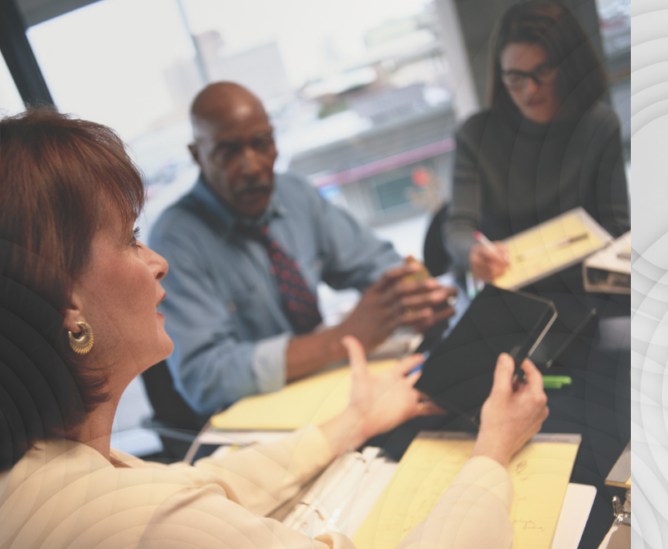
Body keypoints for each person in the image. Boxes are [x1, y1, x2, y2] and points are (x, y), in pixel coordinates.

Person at [0, 109, 549, 549]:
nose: (157, 261)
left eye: (263, 141)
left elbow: (192, 487)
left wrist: (351, 423)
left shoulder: (23, 480)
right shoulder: (144, 536)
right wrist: (493, 450)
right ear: (69, 306)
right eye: (130, 238)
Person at [149, 82, 457, 416]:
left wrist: (413, 298)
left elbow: (374, 262)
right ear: (197, 155)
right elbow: (205, 377)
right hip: (256, 420)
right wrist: (340, 339)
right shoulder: (175, 240)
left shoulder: (295, 193)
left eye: (261, 143)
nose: (251, 166)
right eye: (228, 152)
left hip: (325, 391)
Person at [443, 0, 630, 284]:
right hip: (514, 288)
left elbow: (618, 226)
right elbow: (459, 227)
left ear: (570, 65)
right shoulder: (476, 134)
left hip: (589, 282)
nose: (529, 89)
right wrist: (472, 253)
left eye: (543, 72)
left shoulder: (599, 125)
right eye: (515, 78)